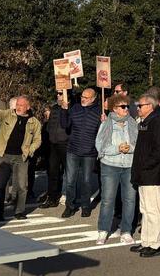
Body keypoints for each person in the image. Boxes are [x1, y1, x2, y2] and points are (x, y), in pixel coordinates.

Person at [0, 93, 41, 222]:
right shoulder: (9, 114)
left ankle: (19, 211)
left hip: (21, 157)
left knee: (22, 186)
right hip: (5, 156)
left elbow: (38, 140)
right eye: (17, 104)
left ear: (28, 107)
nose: (18, 107)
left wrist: (30, 150)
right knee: (1, 185)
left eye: (21, 105)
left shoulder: (34, 122)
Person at [94, 92, 139, 245]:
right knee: (107, 200)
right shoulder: (106, 124)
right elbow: (100, 146)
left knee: (130, 200)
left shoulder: (133, 123)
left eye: (127, 106)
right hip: (109, 165)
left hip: (129, 165)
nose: (126, 109)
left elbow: (138, 145)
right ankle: (103, 230)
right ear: (114, 108)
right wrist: (118, 148)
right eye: (123, 106)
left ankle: (126, 231)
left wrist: (130, 148)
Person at [131, 90, 160, 257]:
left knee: (153, 209)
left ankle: (155, 244)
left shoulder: (157, 122)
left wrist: (145, 165)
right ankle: (146, 241)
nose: (138, 108)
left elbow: (159, 150)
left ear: (150, 106)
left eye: (140, 105)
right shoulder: (146, 121)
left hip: (152, 174)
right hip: (144, 173)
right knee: (145, 209)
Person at [59, 86, 102, 218]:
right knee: (71, 180)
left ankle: (85, 206)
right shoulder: (75, 108)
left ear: (93, 99)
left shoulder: (99, 112)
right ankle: (69, 206)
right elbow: (65, 125)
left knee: (86, 181)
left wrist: (104, 121)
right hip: (73, 150)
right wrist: (64, 110)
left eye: (86, 97)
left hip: (89, 152)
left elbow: (102, 133)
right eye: (82, 96)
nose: (83, 99)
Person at [40, 102, 68, 208]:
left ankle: (67, 196)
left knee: (68, 173)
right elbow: (49, 126)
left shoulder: (73, 106)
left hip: (66, 144)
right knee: (53, 172)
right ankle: (52, 198)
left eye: (60, 93)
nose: (58, 96)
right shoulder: (55, 108)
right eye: (57, 93)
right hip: (54, 144)